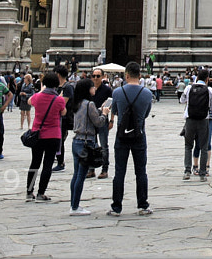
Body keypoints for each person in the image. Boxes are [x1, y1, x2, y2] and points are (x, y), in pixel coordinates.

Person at [108, 61, 153, 217]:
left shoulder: (117, 93)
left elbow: (114, 110)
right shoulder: (147, 94)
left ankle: (116, 207)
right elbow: (146, 114)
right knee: (141, 172)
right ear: (139, 76)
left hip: (121, 136)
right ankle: (143, 205)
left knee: (119, 172)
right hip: (139, 136)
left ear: (126, 76)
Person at [67, 77, 107, 216]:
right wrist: (105, 114)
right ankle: (75, 207)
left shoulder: (77, 103)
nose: (94, 88)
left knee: (76, 174)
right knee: (81, 176)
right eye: (92, 86)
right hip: (86, 142)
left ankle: (73, 203)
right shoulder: (89, 104)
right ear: (87, 89)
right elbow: (99, 122)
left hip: (76, 141)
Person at [25, 72, 65, 201]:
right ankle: (41, 193)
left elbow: (29, 101)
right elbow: (63, 112)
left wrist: (41, 90)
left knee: (35, 163)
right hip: (53, 136)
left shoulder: (37, 97)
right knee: (47, 164)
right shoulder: (58, 99)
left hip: (38, 134)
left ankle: (29, 191)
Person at [182, 70, 212, 181]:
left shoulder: (188, 88)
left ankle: (187, 171)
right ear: (207, 79)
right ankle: (202, 173)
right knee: (204, 147)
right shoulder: (209, 90)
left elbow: (182, 100)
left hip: (190, 119)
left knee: (188, 146)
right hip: (203, 120)